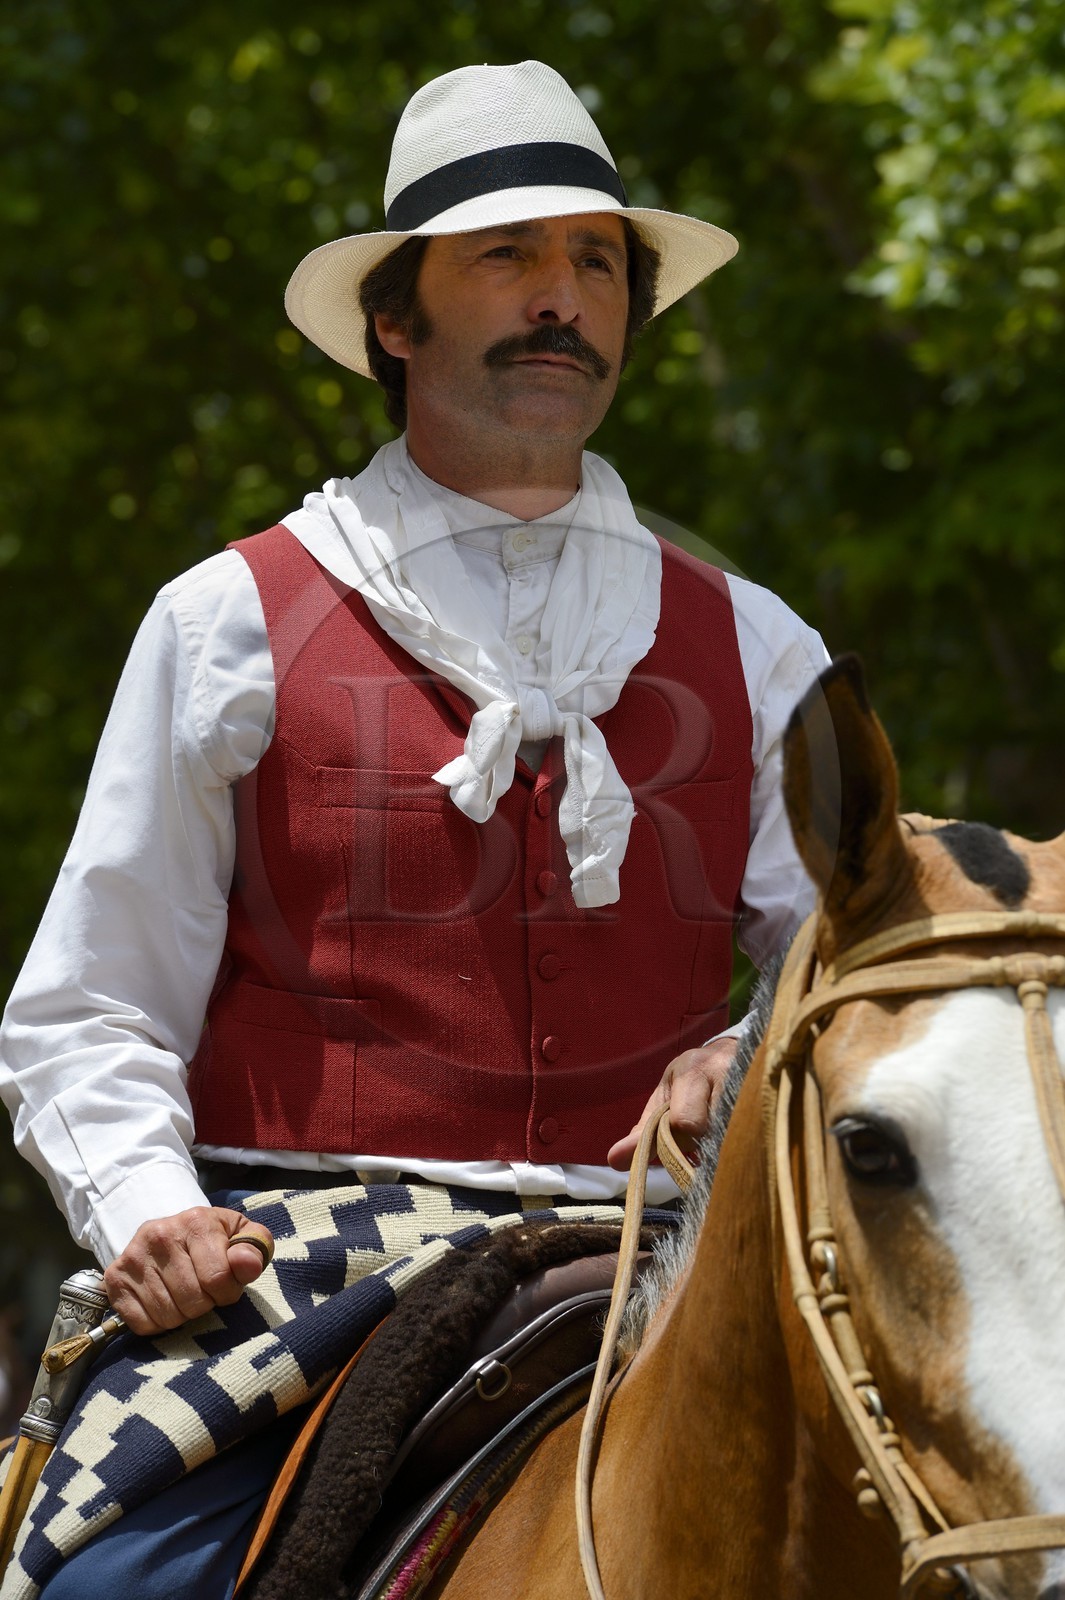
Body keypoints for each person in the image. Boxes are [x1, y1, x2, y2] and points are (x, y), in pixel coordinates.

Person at [1, 62, 827, 1350]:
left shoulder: (758, 642)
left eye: (599, 265)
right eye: (508, 256)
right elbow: (90, 1004)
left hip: (665, 1272)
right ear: (396, 321)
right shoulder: (226, 619)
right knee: (118, 1565)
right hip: (298, 1270)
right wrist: (150, 1210)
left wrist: (757, 1048)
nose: (563, 299)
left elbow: (852, 956)